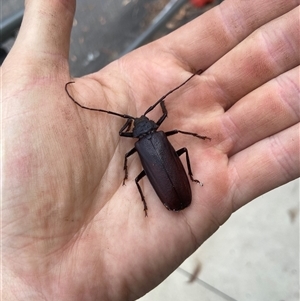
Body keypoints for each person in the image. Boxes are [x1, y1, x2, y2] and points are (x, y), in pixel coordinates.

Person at [2, 0, 299, 300]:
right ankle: (180, 184)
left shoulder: (137, 145)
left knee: (143, 174)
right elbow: (169, 122)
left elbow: (141, 131)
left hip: (168, 189)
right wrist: (163, 102)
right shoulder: (155, 135)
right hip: (173, 189)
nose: (143, 121)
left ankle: (153, 198)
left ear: (136, 131)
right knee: (175, 149)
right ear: (147, 127)